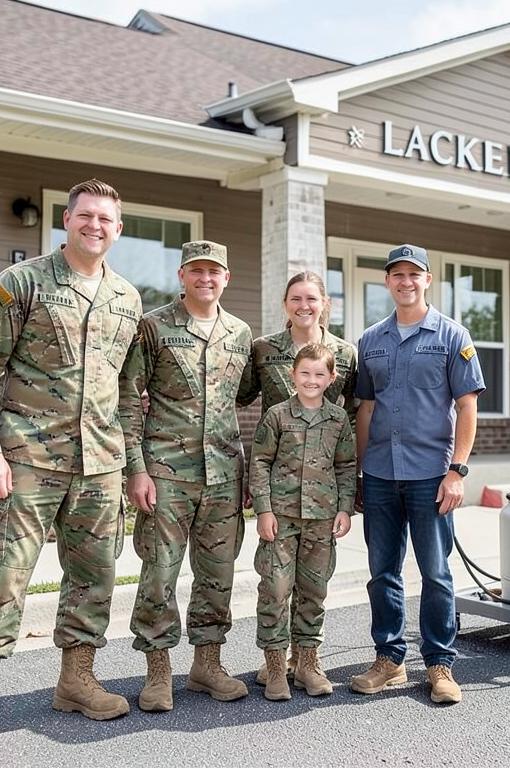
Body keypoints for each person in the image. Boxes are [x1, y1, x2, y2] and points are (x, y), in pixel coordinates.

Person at [0, 179, 143, 744]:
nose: (96, 226)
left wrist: (132, 463)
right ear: (68, 219)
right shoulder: (21, 283)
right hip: (27, 458)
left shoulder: (127, 298)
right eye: (86, 216)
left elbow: (127, 390)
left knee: (94, 578)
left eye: (106, 219)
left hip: (102, 462)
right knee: (5, 577)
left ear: (118, 228)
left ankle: (77, 680)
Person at [350, 244, 485, 705]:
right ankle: (389, 660)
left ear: (428, 280)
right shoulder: (370, 341)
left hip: (432, 475)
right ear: (387, 282)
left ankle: (440, 665)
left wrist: (457, 471)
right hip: (382, 474)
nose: (405, 281)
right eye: (397, 274)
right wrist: (361, 473)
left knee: (435, 573)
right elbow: (366, 410)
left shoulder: (452, 336)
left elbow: (467, 407)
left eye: (414, 274)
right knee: (381, 572)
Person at [126, 239, 253, 712]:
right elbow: (127, 398)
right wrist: (136, 469)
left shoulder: (240, 333)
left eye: (214, 271)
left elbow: (245, 397)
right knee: (159, 574)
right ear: (182, 275)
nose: (205, 278)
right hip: (166, 475)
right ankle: (158, 672)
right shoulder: (154, 328)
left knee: (217, 575)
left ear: (226, 278)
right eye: (196, 270)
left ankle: (206, 665)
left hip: (223, 476)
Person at [237, 270, 358, 685]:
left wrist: (348, 499)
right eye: (295, 298)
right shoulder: (264, 349)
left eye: (311, 298)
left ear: (325, 302)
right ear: (285, 304)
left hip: (322, 495)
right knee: (275, 584)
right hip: (281, 489)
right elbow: (239, 398)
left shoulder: (345, 354)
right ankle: (274, 664)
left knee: (314, 586)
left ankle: (306, 662)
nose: (303, 306)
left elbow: (354, 419)